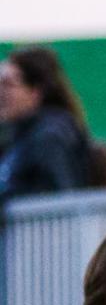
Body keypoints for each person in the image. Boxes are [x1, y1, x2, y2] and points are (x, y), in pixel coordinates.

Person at [0, 48, 92, 208]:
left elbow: (59, 198)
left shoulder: (50, 136)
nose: (1, 93)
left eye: (9, 84)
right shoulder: (19, 136)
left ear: (36, 91)